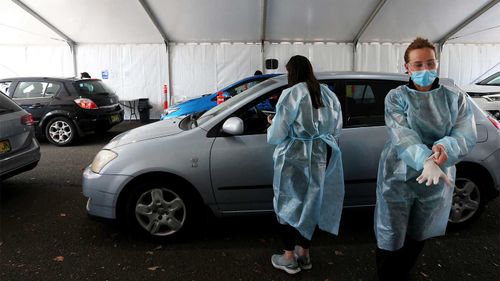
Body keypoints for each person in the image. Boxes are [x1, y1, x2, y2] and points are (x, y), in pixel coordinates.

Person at [374, 37, 477, 280]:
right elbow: (401, 134)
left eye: (430, 63)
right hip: (398, 174)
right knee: (390, 235)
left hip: (437, 176)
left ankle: (403, 273)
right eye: (418, 65)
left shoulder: (455, 98)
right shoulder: (396, 97)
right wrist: (426, 160)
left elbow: (464, 134)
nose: (425, 70)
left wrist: (444, 147)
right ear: (407, 68)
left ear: (437, 64)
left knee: (420, 233)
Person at [267, 55, 344, 274]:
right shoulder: (328, 93)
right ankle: (305, 254)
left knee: (286, 203)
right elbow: (336, 128)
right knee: (312, 202)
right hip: (321, 152)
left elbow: (278, 134)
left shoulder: (291, 93)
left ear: (292, 71)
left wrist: (272, 124)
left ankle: (289, 257)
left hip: (294, 155)